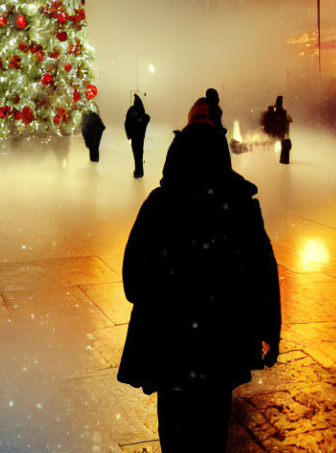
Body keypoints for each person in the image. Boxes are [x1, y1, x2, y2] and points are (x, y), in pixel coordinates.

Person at [117, 98, 281, 452]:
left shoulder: (160, 206)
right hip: (222, 344)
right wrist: (270, 330)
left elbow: (133, 279)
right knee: (213, 428)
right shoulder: (239, 206)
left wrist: (161, 301)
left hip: (171, 345)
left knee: (175, 431)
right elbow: (263, 272)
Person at [124, 94, 150, 178]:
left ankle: (138, 172)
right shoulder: (140, 111)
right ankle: (139, 172)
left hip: (136, 137)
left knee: (137, 154)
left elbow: (127, 123)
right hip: (139, 137)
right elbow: (146, 118)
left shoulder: (132, 110)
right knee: (139, 154)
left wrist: (129, 135)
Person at [261, 95, 292, 164]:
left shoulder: (282, 113)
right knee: (285, 144)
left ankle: (283, 160)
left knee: (285, 144)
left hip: (279, 133)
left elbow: (287, 122)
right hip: (277, 133)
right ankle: (283, 160)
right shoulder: (275, 113)